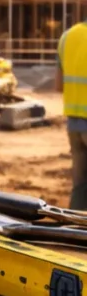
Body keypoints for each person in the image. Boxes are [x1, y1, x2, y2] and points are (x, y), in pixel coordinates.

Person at [57, 19, 87, 209]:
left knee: (80, 184)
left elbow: (58, 84)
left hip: (74, 125)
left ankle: (74, 232)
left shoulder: (67, 37)